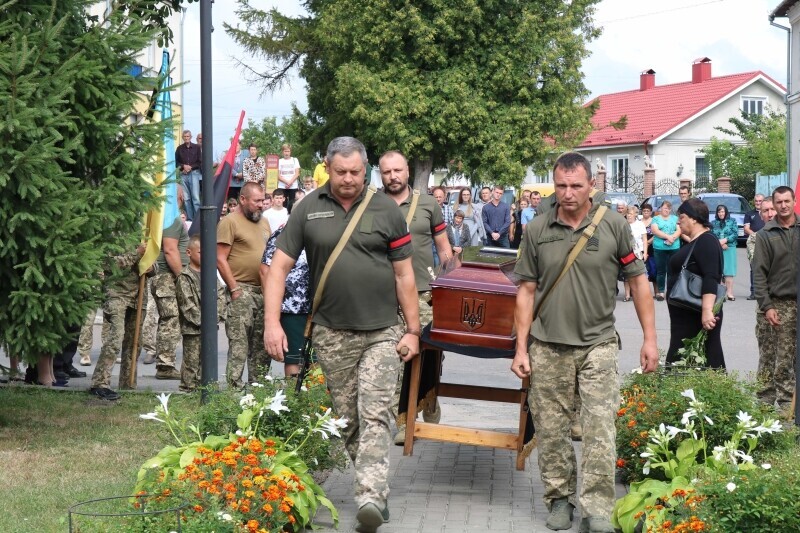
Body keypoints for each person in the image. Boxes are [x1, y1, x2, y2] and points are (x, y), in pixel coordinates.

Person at [263, 137, 420, 533]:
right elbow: (278, 268)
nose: (348, 179)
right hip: (332, 332)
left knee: (376, 413)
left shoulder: (386, 209)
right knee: (348, 419)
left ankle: (369, 497)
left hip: (383, 330)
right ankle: (376, 486)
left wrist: (414, 330)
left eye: (355, 172)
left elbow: (404, 275)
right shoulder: (307, 208)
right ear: (327, 168)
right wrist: (272, 323)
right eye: (340, 172)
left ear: (365, 170)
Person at [511, 152, 657, 533]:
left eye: (576, 185)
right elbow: (526, 291)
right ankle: (559, 499)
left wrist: (650, 340)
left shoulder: (613, 225)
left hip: (598, 343)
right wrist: (521, 348)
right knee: (551, 429)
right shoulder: (537, 229)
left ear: (591, 185)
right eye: (561, 185)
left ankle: (597, 509)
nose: (568, 193)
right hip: (547, 345)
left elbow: (638, 282)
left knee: (600, 428)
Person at [378, 150, 449, 443]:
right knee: (395, 356)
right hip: (384, 294)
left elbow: (443, 247)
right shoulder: (372, 204)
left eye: (397, 170)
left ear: (407, 171)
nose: (393, 176)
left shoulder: (428, 204)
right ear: (380, 174)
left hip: (423, 292)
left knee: (428, 356)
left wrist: (447, 284)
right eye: (387, 172)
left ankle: (428, 400)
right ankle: (403, 421)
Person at [217, 182, 272, 387]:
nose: (261, 205)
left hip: (263, 291)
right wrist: (234, 289)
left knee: (261, 346)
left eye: (262, 201)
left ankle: (258, 389)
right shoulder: (230, 222)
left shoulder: (264, 222)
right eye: (256, 201)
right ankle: (235, 390)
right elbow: (220, 258)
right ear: (242, 199)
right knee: (239, 344)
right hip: (241, 289)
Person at [89, 244, 156, 400]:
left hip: (138, 296)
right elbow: (108, 264)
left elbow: (154, 264)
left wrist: (151, 268)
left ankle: (128, 384)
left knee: (134, 343)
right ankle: (100, 383)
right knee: (115, 337)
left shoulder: (143, 237)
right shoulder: (114, 237)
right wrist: (136, 254)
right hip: (116, 294)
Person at [753, 186, 798, 413]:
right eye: (779, 202)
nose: (783, 206)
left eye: (786, 201)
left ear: (794, 201)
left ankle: (789, 408)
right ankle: (765, 407)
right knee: (770, 358)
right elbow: (758, 274)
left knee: (789, 358)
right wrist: (767, 305)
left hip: (797, 303)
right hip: (775, 305)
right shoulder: (765, 234)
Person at [665, 199, 725, 369]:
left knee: (701, 358)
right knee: (686, 360)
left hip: (697, 316)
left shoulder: (707, 241)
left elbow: (711, 276)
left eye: (681, 217)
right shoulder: (697, 241)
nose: (678, 222)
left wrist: (707, 310)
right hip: (686, 316)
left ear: (693, 218)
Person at [176, 235, 227, 391]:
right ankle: (188, 390)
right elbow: (187, 305)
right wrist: (205, 322)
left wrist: (214, 318)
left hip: (210, 328)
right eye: (200, 252)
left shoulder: (210, 274)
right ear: (189, 252)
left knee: (207, 362)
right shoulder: (184, 276)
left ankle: (205, 390)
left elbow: (220, 295)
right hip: (193, 329)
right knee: (191, 363)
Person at [260, 225, 312, 377]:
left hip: (320, 305)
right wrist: (273, 304)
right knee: (295, 358)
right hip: (292, 306)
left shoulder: (321, 230)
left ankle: (316, 390)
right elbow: (265, 271)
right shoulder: (284, 233)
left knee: (315, 357)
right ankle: (295, 392)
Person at [148, 214, 189, 379]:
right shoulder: (170, 218)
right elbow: (170, 250)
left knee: (172, 320)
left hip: (167, 276)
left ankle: (166, 364)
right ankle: (165, 366)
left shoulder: (168, 217)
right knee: (170, 319)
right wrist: (182, 278)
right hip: (167, 277)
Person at [650, 200, 680, 301]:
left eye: (669, 208)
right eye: (665, 208)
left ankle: (671, 292)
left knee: (673, 271)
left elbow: (679, 230)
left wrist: (673, 238)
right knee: (661, 271)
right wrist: (668, 237)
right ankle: (661, 292)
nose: (667, 210)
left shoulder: (675, 218)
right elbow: (655, 230)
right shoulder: (655, 218)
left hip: (674, 247)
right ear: (661, 208)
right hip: (660, 248)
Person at [711, 204, 738, 300]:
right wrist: (720, 244)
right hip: (717, 248)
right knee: (719, 271)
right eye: (719, 212)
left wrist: (725, 240)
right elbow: (711, 235)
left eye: (722, 211)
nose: (721, 213)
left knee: (729, 272)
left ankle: (730, 293)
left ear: (726, 212)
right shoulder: (713, 223)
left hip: (729, 248)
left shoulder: (732, 221)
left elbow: (735, 234)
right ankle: (721, 294)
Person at [175, 130, 202, 221]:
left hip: (194, 173)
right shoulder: (179, 149)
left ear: (191, 137)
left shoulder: (196, 147)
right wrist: (183, 166)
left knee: (195, 197)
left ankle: (198, 220)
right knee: (186, 198)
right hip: (183, 174)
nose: (186, 138)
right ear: (182, 137)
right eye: (185, 136)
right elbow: (176, 162)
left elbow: (199, 162)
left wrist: (190, 167)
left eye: (188, 136)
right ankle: (190, 219)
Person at [623, 206, 647, 302]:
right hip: (626, 251)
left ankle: (639, 294)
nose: (629, 216)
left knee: (638, 273)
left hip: (638, 251)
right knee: (627, 274)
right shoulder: (623, 224)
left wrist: (645, 253)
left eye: (631, 214)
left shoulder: (640, 224)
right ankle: (627, 295)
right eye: (628, 214)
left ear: (635, 215)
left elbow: (644, 239)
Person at [744, 194, 766, 300]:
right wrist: (757, 236)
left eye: (760, 201)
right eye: (756, 201)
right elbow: (746, 228)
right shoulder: (749, 214)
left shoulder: (768, 213)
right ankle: (753, 292)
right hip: (753, 242)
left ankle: (765, 292)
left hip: (767, 242)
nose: (758, 203)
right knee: (754, 267)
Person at [640, 203, 657, 295]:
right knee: (643, 272)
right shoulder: (639, 222)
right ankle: (645, 292)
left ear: (651, 212)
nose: (646, 212)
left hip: (652, 248)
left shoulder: (654, 221)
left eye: (648, 211)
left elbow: (657, 233)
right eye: (644, 211)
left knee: (654, 270)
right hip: (641, 249)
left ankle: (656, 292)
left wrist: (648, 242)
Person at [278, 143, 301, 208]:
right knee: (283, 204)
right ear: (282, 152)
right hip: (282, 186)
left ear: (290, 152)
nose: (287, 153)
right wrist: (287, 182)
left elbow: (297, 173)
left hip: (293, 186)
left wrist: (290, 182)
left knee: (293, 204)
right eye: (285, 151)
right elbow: (278, 175)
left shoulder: (295, 160)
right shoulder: (279, 161)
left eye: (288, 151)